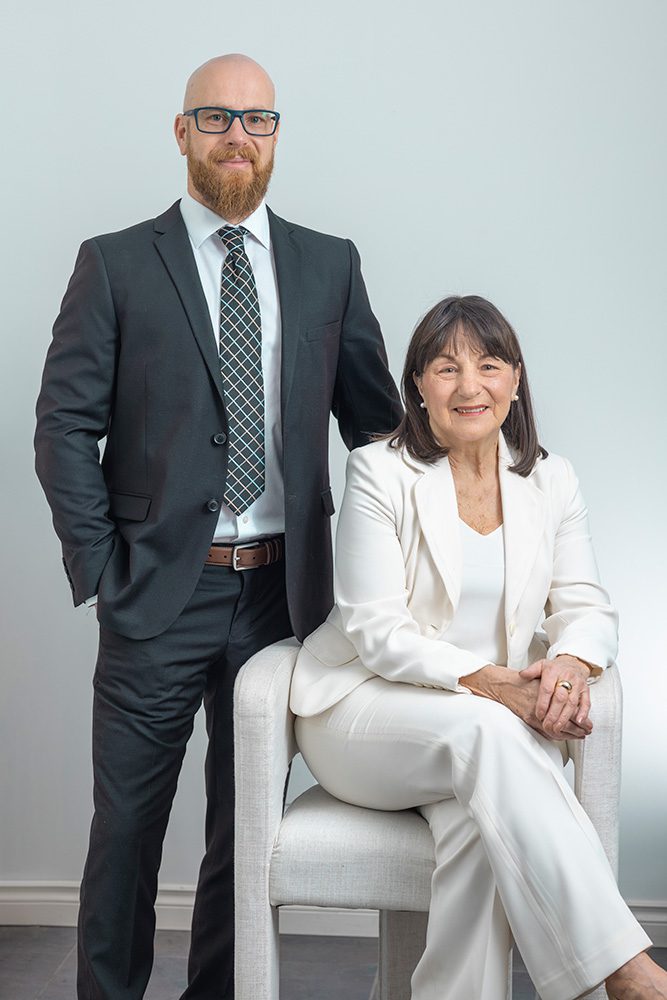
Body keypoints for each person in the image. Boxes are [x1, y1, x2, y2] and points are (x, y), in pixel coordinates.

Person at [34, 53, 401, 1000]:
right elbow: (64, 425)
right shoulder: (115, 262)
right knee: (126, 830)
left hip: (283, 600)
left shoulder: (329, 263)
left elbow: (377, 429)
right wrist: (104, 567)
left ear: (276, 134)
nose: (237, 136)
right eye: (216, 117)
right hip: (157, 591)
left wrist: (460, 523)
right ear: (182, 131)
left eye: (257, 120)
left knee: (245, 830)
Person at [290, 295, 667, 1000]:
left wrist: (566, 662)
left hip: (481, 732)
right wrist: (499, 685)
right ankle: (625, 973)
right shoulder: (379, 470)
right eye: (445, 368)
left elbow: (585, 606)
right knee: (491, 731)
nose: (469, 386)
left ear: (515, 380)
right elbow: (375, 630)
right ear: (417, 388)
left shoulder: (550, 479)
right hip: (359, 715)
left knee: (478, 823)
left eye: (488, 365)